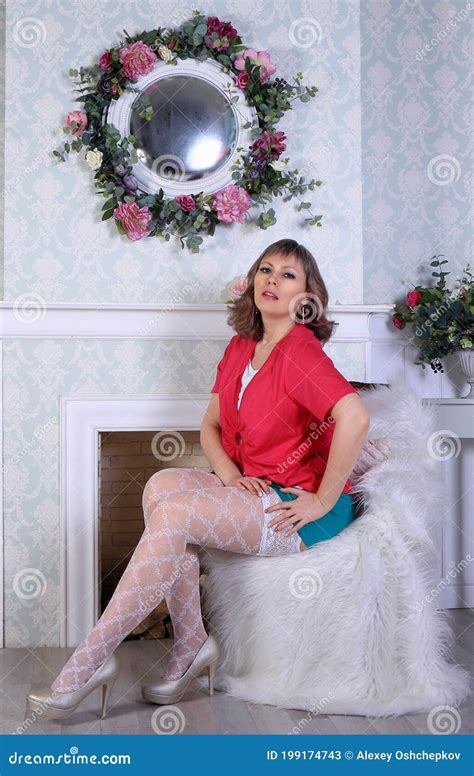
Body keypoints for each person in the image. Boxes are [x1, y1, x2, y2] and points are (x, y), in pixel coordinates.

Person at [27, 238, 370, 720]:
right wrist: (228, 474)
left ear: (308, 296)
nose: (272, 279)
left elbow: (354, 417)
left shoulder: (301, 351)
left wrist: (321, 499)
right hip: (255, 483)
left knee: (177, 512)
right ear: (252, 281)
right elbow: (209, 425)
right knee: (160, 487)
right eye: (265, 269)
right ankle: (191, 642)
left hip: (299, 506)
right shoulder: (242, 346)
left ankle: (91, 659)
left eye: (288, 275)